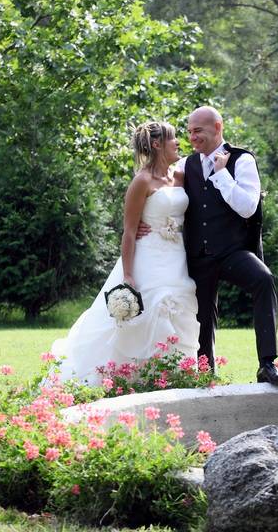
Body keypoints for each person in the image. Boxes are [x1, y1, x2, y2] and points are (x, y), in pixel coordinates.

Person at [141, 106, 278, 385]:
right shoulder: (185, 165)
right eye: (189, 132)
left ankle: (267, 364)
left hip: (233, 250)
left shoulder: (242, 160)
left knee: (264, 280)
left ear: (217, 127)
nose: (193, 138)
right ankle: (205, 373)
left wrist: (221, 175)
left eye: (199, 131)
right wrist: (141, 224)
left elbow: (247, 208)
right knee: (203, 316)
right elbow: (154, 186)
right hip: (198, 254)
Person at [49, 122, 200, 386]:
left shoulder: (180, 175)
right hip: (148, 259)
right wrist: (128, 275)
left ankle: (175, 378)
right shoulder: (141, 181)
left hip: (176, 258)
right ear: (156, 144)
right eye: (173, 139)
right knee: (151, 310)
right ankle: (131, 380)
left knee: (179, 308)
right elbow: (129, 232)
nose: (178, 143)